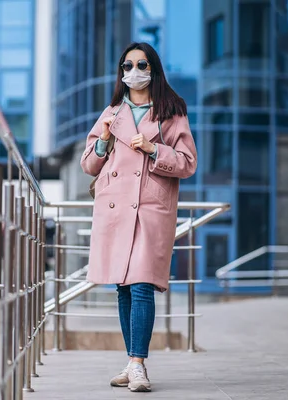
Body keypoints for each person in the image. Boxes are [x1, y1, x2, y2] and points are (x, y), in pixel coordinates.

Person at [80, 42, 197, 392]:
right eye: (127, 65)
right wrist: (102, 142)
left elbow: (187, 162)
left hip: (149, 208)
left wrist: (152, 149)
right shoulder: (112, 112)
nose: (134, 71)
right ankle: (132, 360)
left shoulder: (171, 111)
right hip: (115, 208)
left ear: (153, 68)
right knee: (124, 289)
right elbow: (88, 164)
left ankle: (138, 364)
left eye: (141, 63)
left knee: (143, 285)